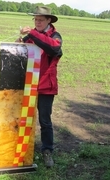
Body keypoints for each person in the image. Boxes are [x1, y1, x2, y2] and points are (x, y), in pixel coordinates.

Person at [16, 6, 63, 167]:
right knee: (25, 118)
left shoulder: (55, 36)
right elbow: (24, 54)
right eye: (36, 19)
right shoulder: (31, 36)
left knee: (45, 120)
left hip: (45, 87)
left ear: (49, 20)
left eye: (41, 20)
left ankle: (47, 150)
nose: (38, 22)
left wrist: (33, 34)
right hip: (29, 84)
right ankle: (23, 149)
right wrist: (18, 44)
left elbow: (53, 48)